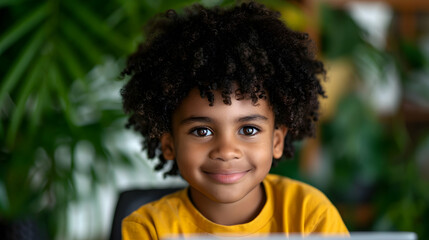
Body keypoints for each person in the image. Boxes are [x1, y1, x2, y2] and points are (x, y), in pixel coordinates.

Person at [120, 1, 348, 239]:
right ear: (169, 144)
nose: (227, 151)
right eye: (202, 131)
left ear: (277, 141)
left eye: (248, 130)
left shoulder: (309, 215)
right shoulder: (148, 228)